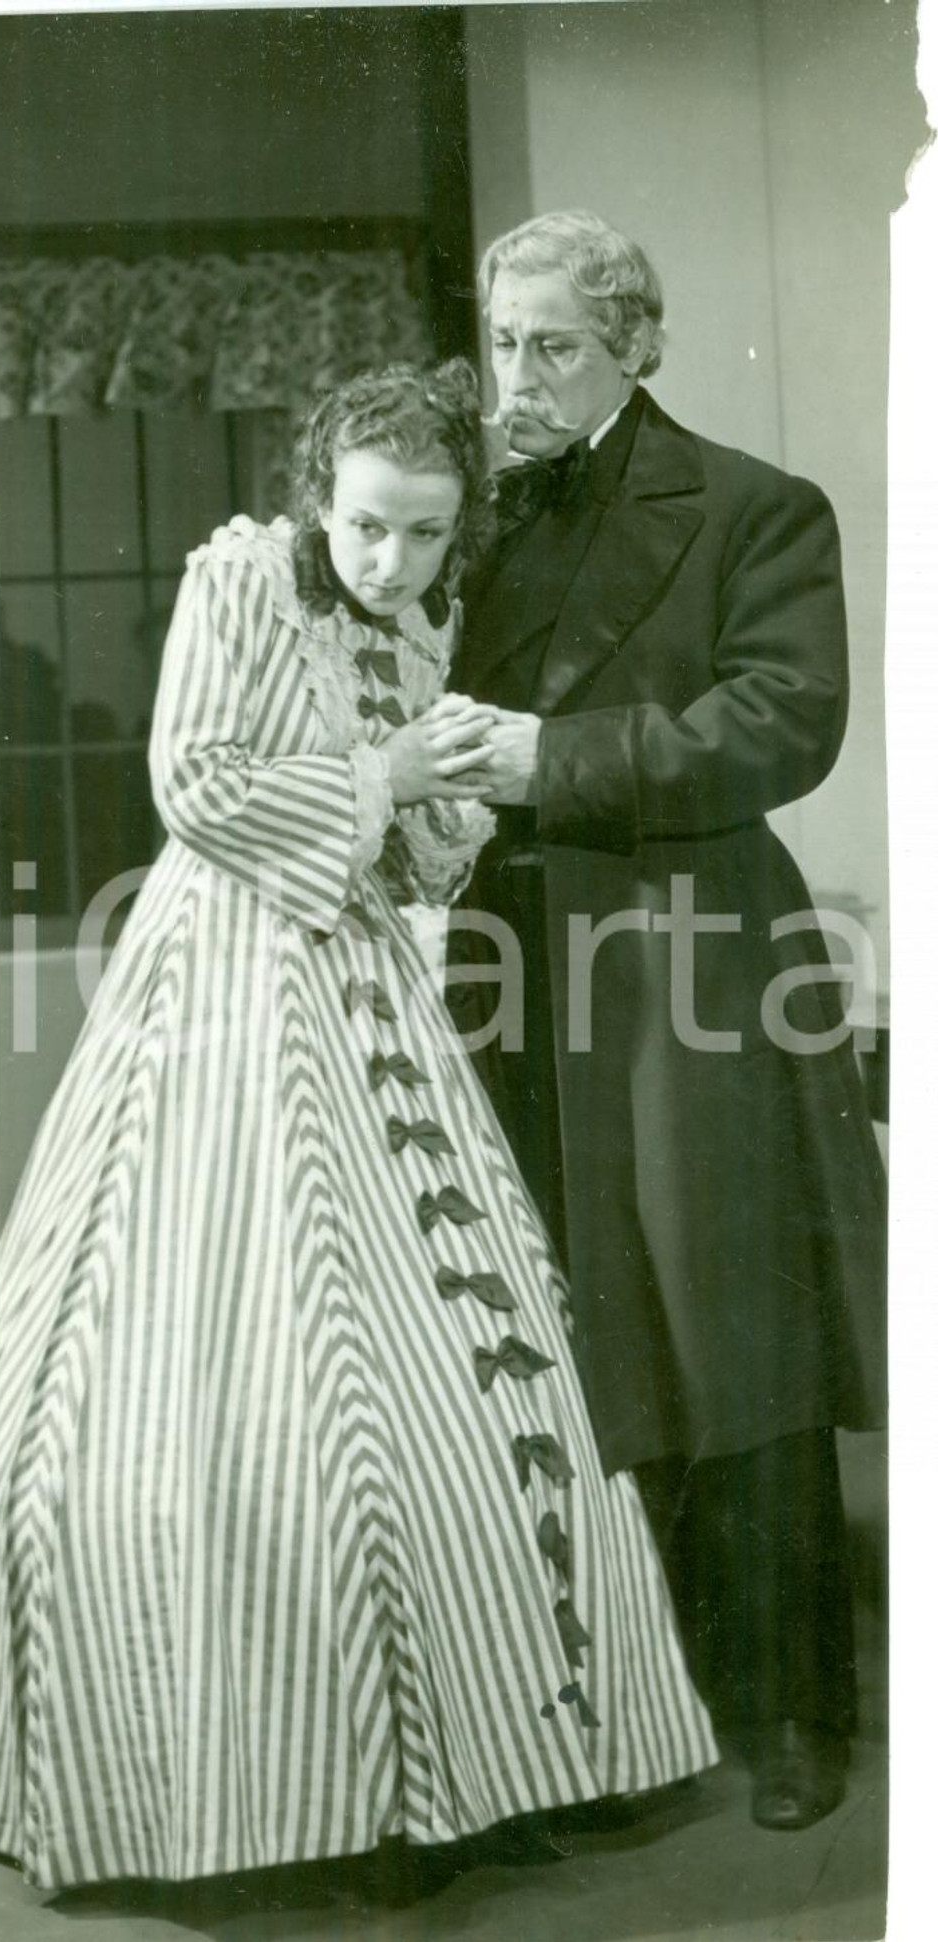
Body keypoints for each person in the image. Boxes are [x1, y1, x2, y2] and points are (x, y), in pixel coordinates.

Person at [0, 359, 716, 1893]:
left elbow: (424, 864)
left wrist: (450, 795)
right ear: (320, 494)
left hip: (372, 987)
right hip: (227, 986)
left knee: (455, 1354)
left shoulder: (427, 623)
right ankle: (265, 1792)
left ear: (459, 529)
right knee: (250, 1349)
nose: (391, 559)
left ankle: (489, 1758)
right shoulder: (240, 577)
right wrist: (383, 770)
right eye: (368, 525)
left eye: (426, 534)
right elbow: (194, 782)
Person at [446, 212, 887, 1832]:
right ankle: (625, 1716)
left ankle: (793, 1711)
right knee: (553, 1329)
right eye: (507, 341)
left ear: (638, 343)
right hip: (504, 957)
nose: (523, 374)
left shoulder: (756, 506)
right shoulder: (470, 518)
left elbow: (784, 721)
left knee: (732, 1335)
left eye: (556, 343)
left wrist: (548, 761)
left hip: (686, 953)